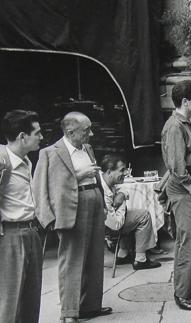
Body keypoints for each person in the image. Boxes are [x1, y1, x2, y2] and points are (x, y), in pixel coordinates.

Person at [33, 112, 112, 322]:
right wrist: (47, 218)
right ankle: (69, 312)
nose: (91, 134)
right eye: (86, 130)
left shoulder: (87, 148)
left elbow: (95, 178)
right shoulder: (50, 153)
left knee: (95, 256)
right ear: (70, 131)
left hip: (93, 200)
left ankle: (90, 306)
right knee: (71, 261)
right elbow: (39, 188)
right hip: (71, 208)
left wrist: (103, 203)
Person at [161, 80, 191, 311]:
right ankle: (181, 292)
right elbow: (178, 166)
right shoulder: (175, 127)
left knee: (190, 241)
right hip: (185, 189)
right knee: (187, 242)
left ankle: (186, 286)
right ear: (185, 101)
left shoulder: (184, 124)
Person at [0, 110, 43, 323]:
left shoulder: (26, 161)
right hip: (10, 235)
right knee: (10, 300)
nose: (42, 137)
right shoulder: (2, 160)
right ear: (22, 136)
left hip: (31, 231)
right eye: (37, 133)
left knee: (31, 299)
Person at [99, 154, 161, 270]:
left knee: (129, 215)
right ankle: (140, 259)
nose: (126, 173)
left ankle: (123, 254)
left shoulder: (106, 180)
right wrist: (122, 202)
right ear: (109, 172)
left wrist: (121, 194)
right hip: (107, 230)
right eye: (122, 170)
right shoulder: (103, 191)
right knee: (144, 215)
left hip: (108, 223)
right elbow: (116, 225)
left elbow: (124, 189)